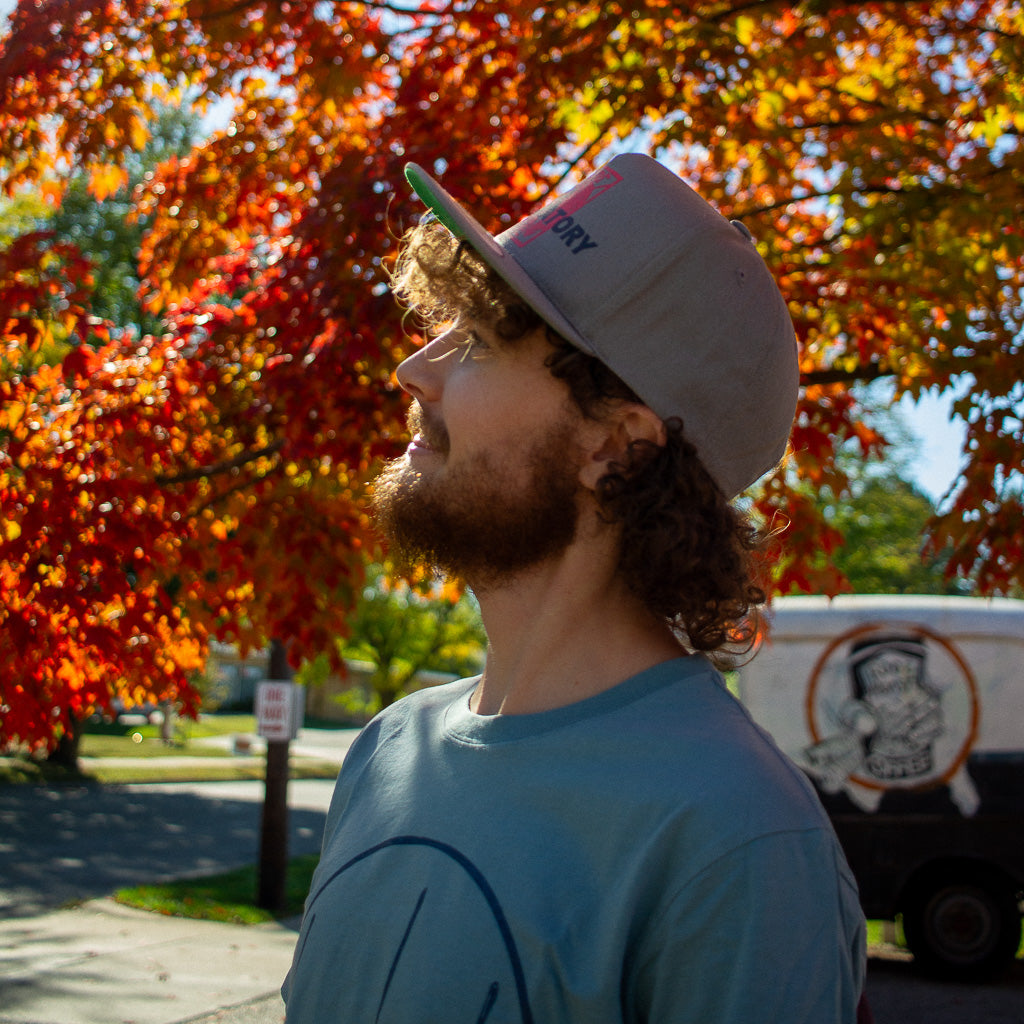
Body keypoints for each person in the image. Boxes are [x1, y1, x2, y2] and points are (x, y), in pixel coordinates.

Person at [282, 153, 867, 1023]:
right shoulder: (387, 751)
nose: (416, 370)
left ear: (615, 448)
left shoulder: (737, 841)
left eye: (478, 341)